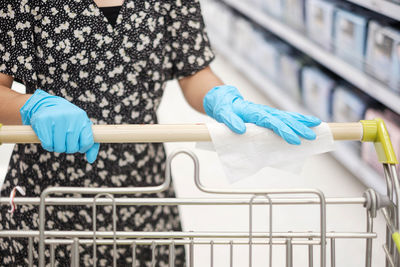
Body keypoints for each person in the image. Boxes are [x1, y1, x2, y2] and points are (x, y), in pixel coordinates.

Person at [0, 0, 321, 266]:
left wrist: (223, 98)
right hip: (48, 196)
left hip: (143, 186)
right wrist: (33, 107)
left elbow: (194, 72)